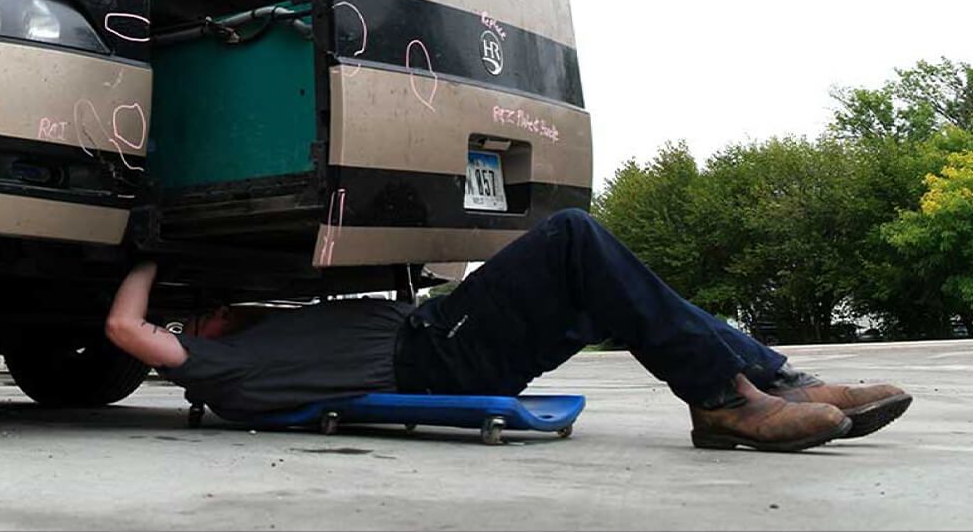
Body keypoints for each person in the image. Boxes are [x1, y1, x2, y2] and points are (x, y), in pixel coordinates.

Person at [104, 209, 912, 452]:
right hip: (432, 353)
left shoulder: (268, 331)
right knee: (569, 235)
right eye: (192, 319)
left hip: (443, 341)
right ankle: (720, 394)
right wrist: (149, 255)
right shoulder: (217, 368)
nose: (202, 318)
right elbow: (124, 325)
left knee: (610, 290)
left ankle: (766, 381)